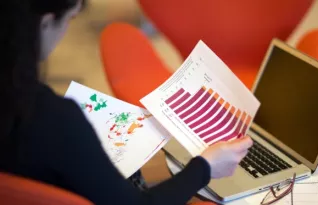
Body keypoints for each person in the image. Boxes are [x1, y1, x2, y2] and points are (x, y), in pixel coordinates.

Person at [0, 0, 253, 205]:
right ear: (45, 23)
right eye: (70, 19)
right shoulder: (52, 119)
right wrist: (205, 166)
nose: (66, 30)